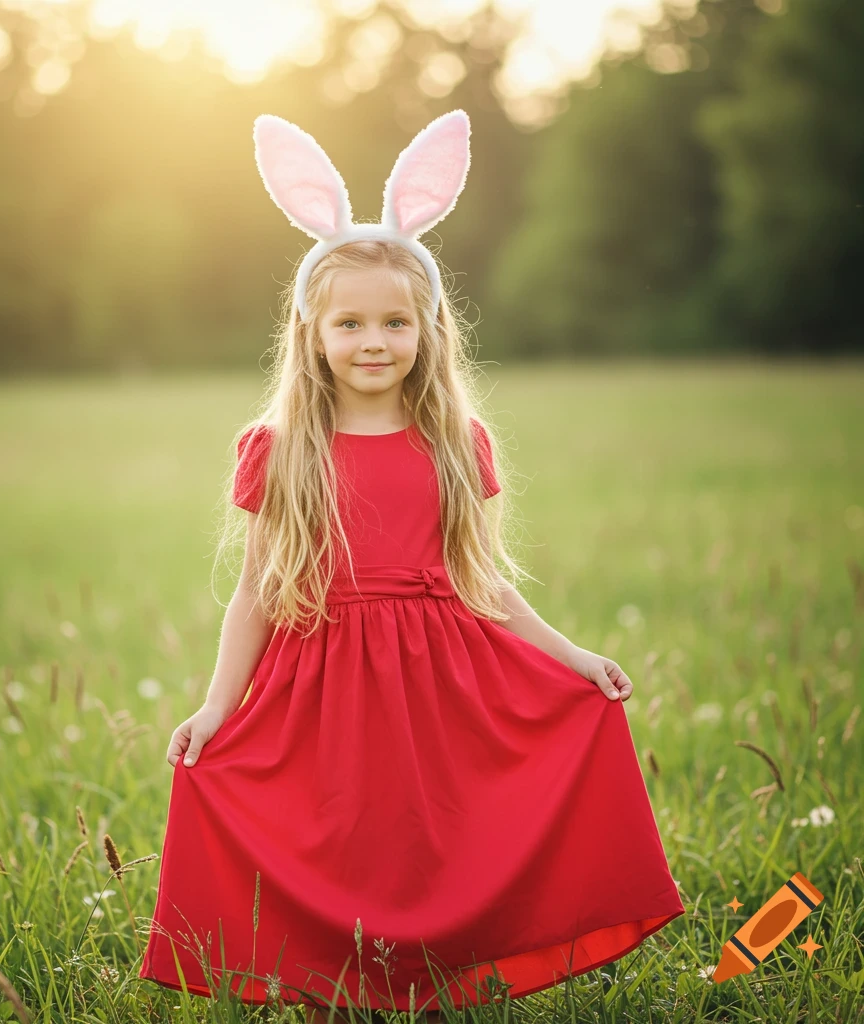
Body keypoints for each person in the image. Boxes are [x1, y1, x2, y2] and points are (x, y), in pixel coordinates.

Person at [139, 110, 685, 1024]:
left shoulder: (451, 443)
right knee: (334, 844)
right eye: (349, 323)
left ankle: (436, 989)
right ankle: (331, 993)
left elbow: (485, 579)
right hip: (317, 683)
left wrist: (575, 659)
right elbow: (255, 594)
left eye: (396, 321)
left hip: (437, 679)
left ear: (430, 328)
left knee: (435, 845)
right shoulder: (281, 450)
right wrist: (215, 706)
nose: (373, 342)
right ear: (312, 332)